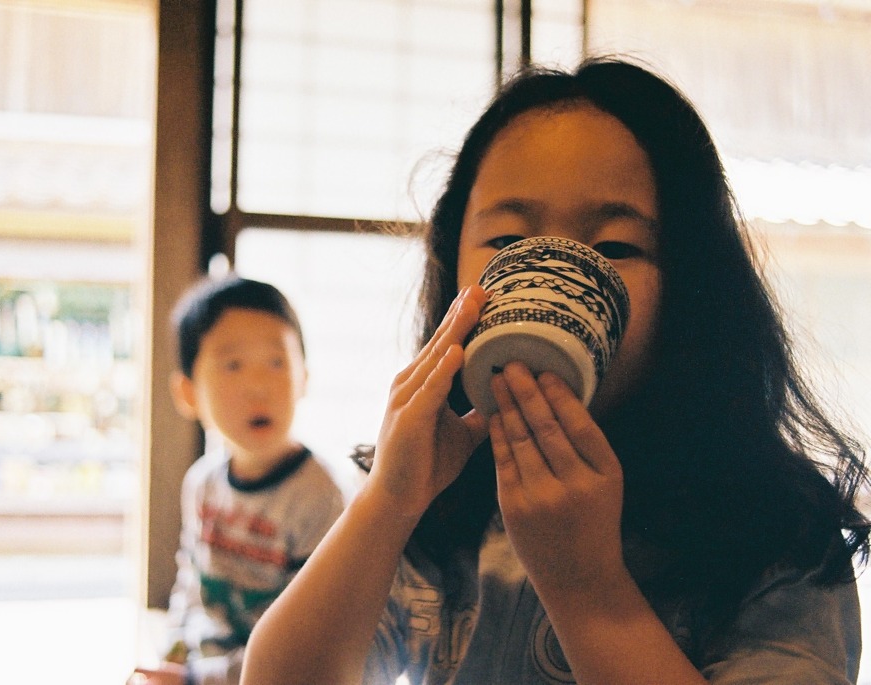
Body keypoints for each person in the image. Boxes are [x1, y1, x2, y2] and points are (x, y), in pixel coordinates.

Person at [240, 56, 871, 684]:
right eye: (508, 244)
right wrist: (387, 505)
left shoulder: (776, 543)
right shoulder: (439, 506)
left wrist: (591, 593)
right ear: (454, 269)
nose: (551, 276)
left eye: (616, 248)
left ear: (693, 284)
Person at [131, 275, 346, 685]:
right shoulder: (203, 483)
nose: (258, 386)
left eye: (277, 361)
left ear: (305, 377)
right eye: (232, 365)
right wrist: (174, 652)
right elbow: (193, 581)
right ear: (188, 393)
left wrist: (198, 680)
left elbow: (310, 643)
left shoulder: (320, 497)